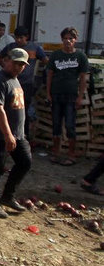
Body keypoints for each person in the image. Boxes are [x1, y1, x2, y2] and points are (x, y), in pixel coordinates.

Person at [0, 48, 32, 218]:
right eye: (16, 63)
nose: (18, 67)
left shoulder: (15, 80)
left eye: (22, 64)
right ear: (6, 61)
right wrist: (7, 135)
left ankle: (7, 196)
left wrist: (18, 133)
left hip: (18, 134)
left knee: (25, 162)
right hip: (0, 135)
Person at [46, 27, 89, 165]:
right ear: (62, 40)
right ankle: (56, 152)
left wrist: (80, 96)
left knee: (70, 125)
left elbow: (83, 78)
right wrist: (48, 94)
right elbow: (49, 75)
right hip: (56, 94)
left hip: (71, 96)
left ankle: (71, 154)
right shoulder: (56, 55)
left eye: (70, 38)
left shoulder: (80, 56)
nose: (68, 41)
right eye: (65, 39)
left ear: (75, 40)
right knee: (56, 124)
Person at [0, 26, 48, 140]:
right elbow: (0, 57)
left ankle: (22, 135)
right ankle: (6, 133)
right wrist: (6, 68)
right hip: (10, 83)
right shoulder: (11, 47)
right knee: (7, 108)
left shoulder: (35, 48)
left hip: (25, 85)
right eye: (16, 38)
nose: (18, 40)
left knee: (22, 110)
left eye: (21, 38)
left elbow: (46, 61)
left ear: (27, 37)